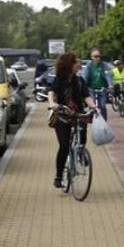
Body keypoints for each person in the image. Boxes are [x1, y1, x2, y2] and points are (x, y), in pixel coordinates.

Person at [46, 52, 98, 188]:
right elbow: (52, 92)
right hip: (62, 116)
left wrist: (93, 106)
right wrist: (52, 103)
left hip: (78, 115)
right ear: (69, 65)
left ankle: (80, 153)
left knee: (82, 140)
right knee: (64, 146)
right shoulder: (59, 80)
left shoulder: (79, 81)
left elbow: (86, 96)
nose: (79, 65)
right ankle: (58, 176)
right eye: (76, 62)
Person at [82, 49, 114, 120]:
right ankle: (91, 119)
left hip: (102, 88)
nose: (97, 58)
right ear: (91, 57)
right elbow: (85, 76)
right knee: (92, 104)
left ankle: (104, 121)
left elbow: (108, 75)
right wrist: (83, 86)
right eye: (95, 56)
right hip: (91, 88)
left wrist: (110, 85)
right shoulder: (89, 66)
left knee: (102, 106)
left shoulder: (104, 65)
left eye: (99, 56)